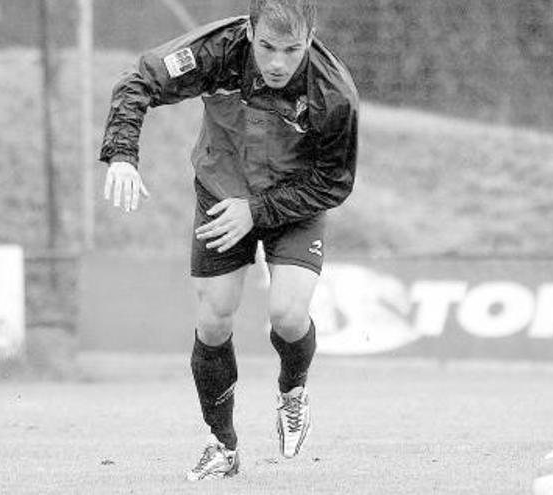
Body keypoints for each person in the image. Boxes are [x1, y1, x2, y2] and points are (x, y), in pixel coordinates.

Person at [98, 0, 358, 481]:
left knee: (288, 313)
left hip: (293, 202)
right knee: (213, 321)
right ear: (249, 29)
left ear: (311, 36)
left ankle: (293, 391)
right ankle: (222, 445)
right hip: (221, 192)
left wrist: (256, 211)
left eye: (291, 49)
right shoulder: (217, 50)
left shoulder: (333, 92)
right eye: (266, 47)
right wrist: (121, 154)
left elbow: (333, 182)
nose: (277, 62)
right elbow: (140, 81)